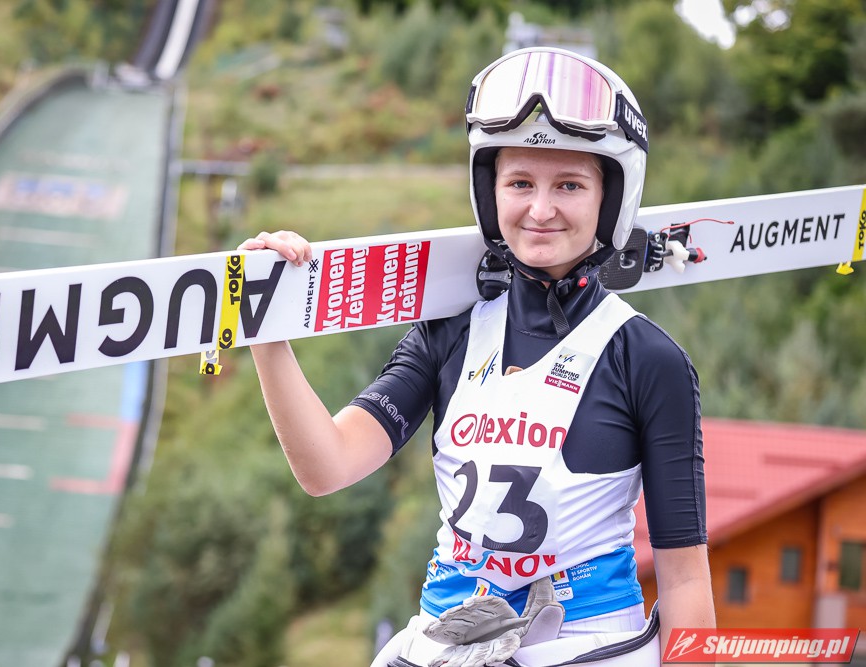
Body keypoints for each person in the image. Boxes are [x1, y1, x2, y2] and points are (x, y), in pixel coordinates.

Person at [239, 47, 715, 667]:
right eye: (520, 183)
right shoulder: (449, 335)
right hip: (448, 640)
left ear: (611, 197)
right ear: (491, 195)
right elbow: (326, 467)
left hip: (589, 644)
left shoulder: (647, 359)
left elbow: (685, 580)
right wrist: (267, 329)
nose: (540, 209)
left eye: (569, 185)